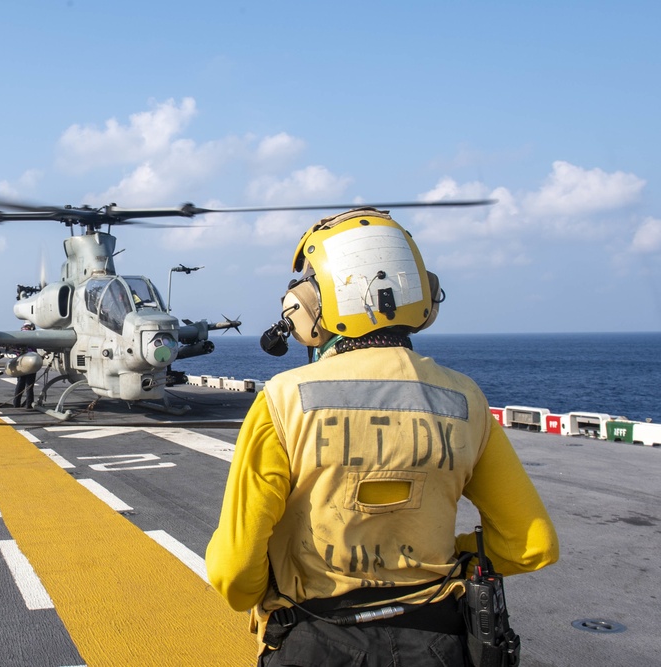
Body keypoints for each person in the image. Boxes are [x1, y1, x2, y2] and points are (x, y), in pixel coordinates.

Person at [205, 208, 559, 666]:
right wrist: (442, 560)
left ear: (311, 305)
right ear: (424, 297)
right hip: (438, 643)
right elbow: (531, 545)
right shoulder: (466, 399)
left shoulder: (284, 400)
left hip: (315, 638)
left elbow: (234, 573)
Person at [13, 322, 38, 409]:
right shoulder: (33, 335)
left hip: (20, 362)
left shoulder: (18, 335)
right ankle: (29, 404)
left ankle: (16, 403)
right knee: (29, 385)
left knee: (20, 383)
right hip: (31, 361)